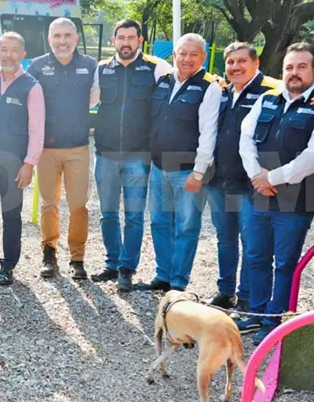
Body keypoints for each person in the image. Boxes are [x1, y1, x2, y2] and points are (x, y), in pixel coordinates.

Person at [237, 42, 314, 345]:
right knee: (255, 255)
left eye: (302, 67)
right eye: (289, 67)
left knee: (284, 262)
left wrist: (273, 177)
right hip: (259, 193)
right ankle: (256, 315)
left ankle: (276, 319)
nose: (294, 73)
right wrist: (257, 176)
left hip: (296, 199)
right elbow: (245, 139)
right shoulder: (267, 99)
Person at [92, 19, 173, 291]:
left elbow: (185, 82)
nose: (125, 42)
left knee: (135, 216)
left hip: (138, 155)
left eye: (131, 37)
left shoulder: (155, 68)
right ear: (112, 41)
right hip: (106, 154)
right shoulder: (101, 70)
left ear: (140, 40)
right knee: (107, 213)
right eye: (121, 37)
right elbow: (84, 98)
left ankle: (127, 268)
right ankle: (112, 263)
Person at [205, 43, 280, 310]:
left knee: (252, 244)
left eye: (241, 62)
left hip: (250, 185)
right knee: (225, 239)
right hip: (219, 180)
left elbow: (307, 91)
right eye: (230, 62)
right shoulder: (222, 91)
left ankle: (247, 297)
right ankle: (226, 292)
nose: (235, 67)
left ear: (256, 63)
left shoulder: (272, 92)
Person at [146, 33, 222, 293]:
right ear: (175, 55)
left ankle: (178, 281)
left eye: (194, 54)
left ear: (203, 57)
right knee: (158, 222)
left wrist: (199, 172)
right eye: (182, 53)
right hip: (158, 167)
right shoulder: (164, 81)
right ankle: (163, 274)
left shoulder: (209, 87)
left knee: (186, 226)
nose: (187, 59)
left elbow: (208, 132)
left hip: (188, 170)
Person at [29, 18, 99, 280]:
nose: (62, 41)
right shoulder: (37, 66)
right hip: (46, 148)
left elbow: (95, 98)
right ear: (49, 39)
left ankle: (77, 258)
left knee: (79, 205)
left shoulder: (90, 66)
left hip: (78, 148)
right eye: (57, 36)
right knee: (49, 204)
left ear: (76, 38)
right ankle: (49, 255)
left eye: (67, 35)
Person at [0, 32, 45, 286]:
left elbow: (37, 129)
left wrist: (29, 163)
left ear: (23, 55)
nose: (8, 55)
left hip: (15, 163)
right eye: (4, 49)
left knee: (12, 215)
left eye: (14, 50)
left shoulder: (31, 86)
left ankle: (8, 264)